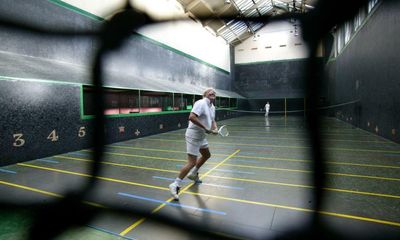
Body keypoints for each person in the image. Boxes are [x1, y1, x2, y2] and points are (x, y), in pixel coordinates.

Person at [169, 88, 218, 201]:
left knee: (206, 155)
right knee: (192, 162)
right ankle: (175, 184)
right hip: (193, 135)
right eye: (210, 91)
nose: (212, 92)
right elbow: (191, 117)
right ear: (205, 95)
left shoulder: (212, 107)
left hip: (202, 136)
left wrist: (214, 128)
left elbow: (213, 120)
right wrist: (206, 128)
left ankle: (193, 174)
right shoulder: (200, 103)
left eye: (214, 92)